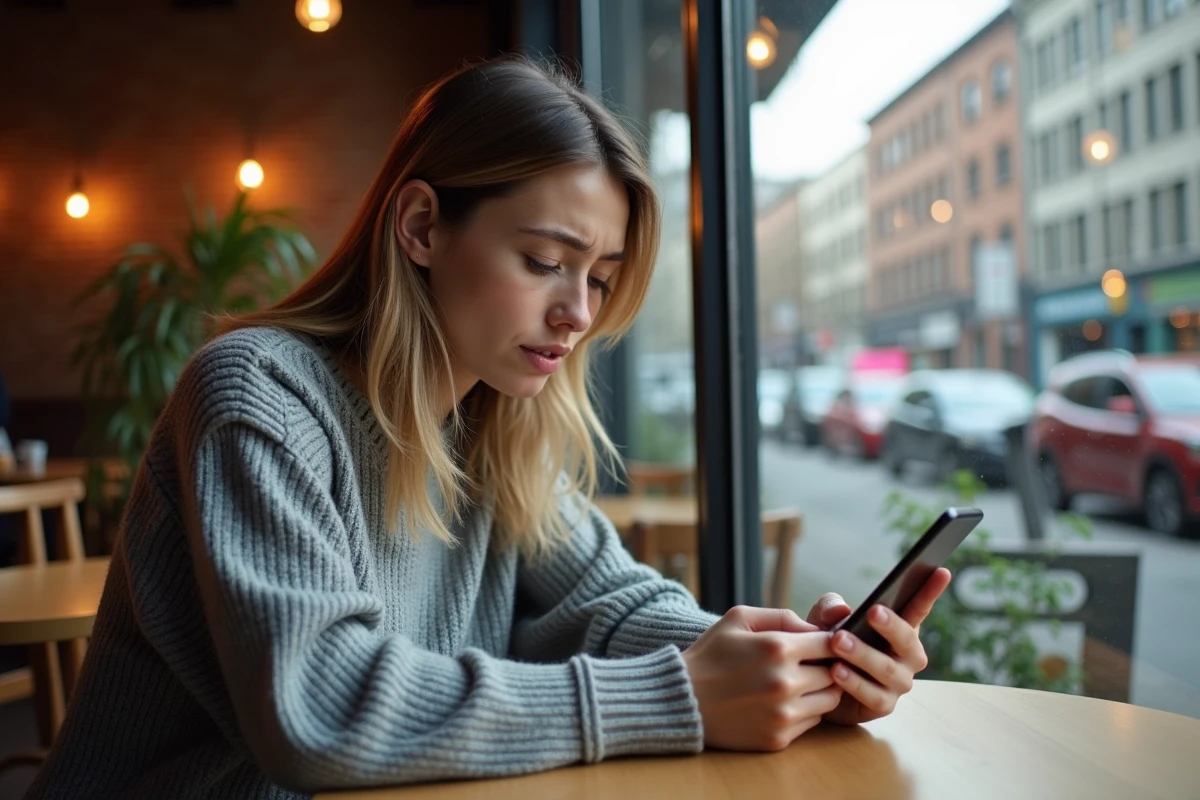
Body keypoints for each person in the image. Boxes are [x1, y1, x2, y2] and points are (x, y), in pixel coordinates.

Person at [28, 56, 949, 799]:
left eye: (598, 277)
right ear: (423, 226)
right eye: (547, 261)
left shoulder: (492, 424)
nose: (578, 312)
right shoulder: (258, 396)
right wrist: (681, 696)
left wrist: (786, 661)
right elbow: (320, 708)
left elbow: (612, 604)